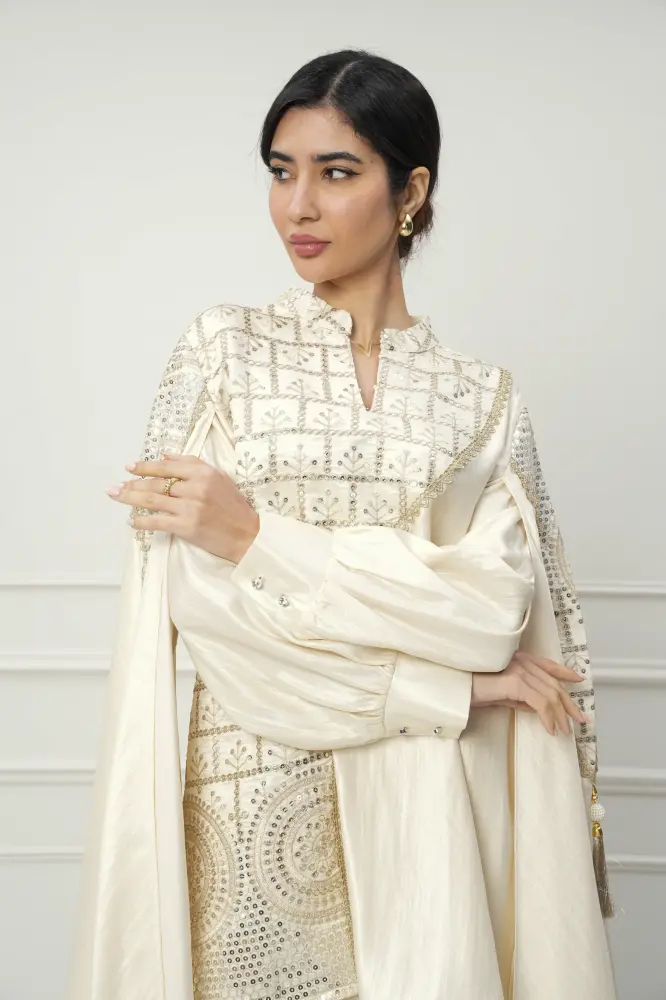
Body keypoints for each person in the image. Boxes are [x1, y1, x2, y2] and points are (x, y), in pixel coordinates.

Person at [66, 49, 617, 1000]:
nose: (298, 207)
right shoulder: (222, 354)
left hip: (430, 816)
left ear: (411, 191)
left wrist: (256, 539)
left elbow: (487, 612)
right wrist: (450, 688)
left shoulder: (481, 401)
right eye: (281, 171)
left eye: (336, 172)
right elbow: (216, 620)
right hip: (251, 804)